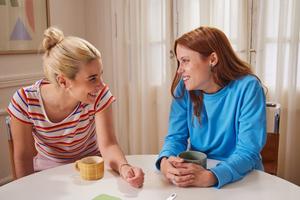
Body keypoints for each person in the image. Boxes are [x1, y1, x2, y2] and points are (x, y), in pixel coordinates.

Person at [7, 27, 144, 188]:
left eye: (100, 75)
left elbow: (108, 145)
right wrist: (25, 192)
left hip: (92, 172)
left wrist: (124, 167)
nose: (101, 84)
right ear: (63, 81)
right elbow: (23, 157)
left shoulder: (98, 94)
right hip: (47, 177)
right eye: (92, 78)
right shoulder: (25, 101)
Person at [156, 26, 266, 188]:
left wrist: (211, 176)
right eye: (179, 62)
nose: (179, 70)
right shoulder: (184, 88)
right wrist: (165, 162)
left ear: (212, 59)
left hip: (242, 178)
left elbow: (247, 151)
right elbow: (175, 137)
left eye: (185, 61)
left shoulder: (248, 87)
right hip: (199, 173)